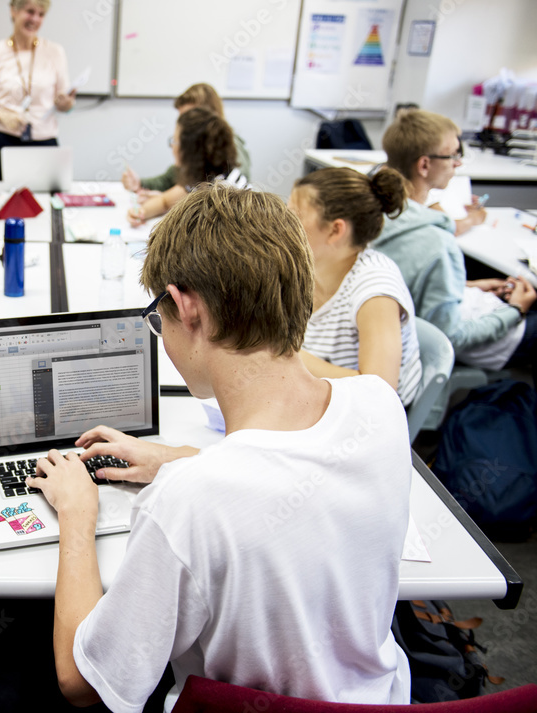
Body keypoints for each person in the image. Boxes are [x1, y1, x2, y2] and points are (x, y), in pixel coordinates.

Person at [27, 185, 412, 711]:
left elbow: (82, 682)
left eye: (156, 315)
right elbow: (290, 475)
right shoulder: (379, 405)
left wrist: (77, 515)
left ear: (187, 310)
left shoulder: (189, 502)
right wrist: (176, 458)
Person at [372, 109, 535, 377]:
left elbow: (407, 287)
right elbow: (450, 337)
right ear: (424, 165)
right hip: (452, 343)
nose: (458, 164)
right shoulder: (438, 243)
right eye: (453, 156)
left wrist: (465, 286)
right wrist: (515, 310)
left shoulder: (374, 214)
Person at [289, 166, 423, 406]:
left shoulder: (375, 288)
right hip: (311, 397)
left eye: (295, 217)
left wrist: (287, 357)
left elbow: (380, 390)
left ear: (335, 230)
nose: (283, 225)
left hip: (361, 418)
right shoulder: (306, 266)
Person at [0, 0, 76, 180]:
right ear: (14, 11)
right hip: (4, 140)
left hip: (45, 142)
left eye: (41, 14)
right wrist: (0, 113)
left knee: (46, 203)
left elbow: (65, 102)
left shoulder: (55, 52)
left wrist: (67, 104)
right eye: (29, 11)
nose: (35, 19)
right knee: (1, 203)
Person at [122, 82, 251, 197]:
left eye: (190, 117)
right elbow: (174, 176)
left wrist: (166, 201)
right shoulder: (195, 162)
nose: (184, 124)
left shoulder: (231, 149)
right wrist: (141, 183)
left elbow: (233, 194)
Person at [127, 107, 240, 227]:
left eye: (175, 141)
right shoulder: (203, 178)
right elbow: (164, 201)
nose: (172, 147)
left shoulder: (225, 194)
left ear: (191, 151)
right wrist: (140, 212)